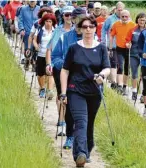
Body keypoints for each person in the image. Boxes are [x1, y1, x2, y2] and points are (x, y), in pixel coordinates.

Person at [60, 15, 110, 167]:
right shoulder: (74, 48)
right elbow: (65, 70)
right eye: (85, 27)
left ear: (95, 29)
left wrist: (102, 75)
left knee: (89, 122)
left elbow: (107, 68)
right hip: (76, 90)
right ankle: (80, 154)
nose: (88, 29)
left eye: (91, 26)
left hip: (95, 91)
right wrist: (63, 93)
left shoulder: (101, 48)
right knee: (81, 121)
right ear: (80, 29)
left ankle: (87, 149)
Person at [51, 7, 87, 149]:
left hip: (85, 79)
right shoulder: (64, 37)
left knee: (84, 110)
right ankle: (70, 136)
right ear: (73, 20)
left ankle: (84, 142)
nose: (82, 21)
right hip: (69, 77)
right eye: (78, 18)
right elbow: (55, 57)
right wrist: (65, 66)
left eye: (84, 18)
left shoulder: (91, 37)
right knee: (69, 107)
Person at [45, 5, 74, 136]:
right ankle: (62, 120)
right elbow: (50, 49)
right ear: (62, 16)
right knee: (61, 94)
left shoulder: (78, 30)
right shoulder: (58, 31)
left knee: (72, 95)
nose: (68, 17)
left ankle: (69, 120)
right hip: (60, 66)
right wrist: (49, 64)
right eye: (66, 15)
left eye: (71, 15)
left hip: (74, 68)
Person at [109, 9, 136, 95]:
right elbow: (111, 36)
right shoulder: (116, 24)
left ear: (129, 17)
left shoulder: (133, 25)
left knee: (127, 68)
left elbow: (136, 39)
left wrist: (131, 44)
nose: (124, 18)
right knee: (120, 66)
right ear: (120, 16)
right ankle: (119, 86)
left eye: (126, 16)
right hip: (119, 48)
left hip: (129, 49)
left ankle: (124, 86)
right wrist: (110, 49)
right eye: (122, 16)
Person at [33, 13, 57, 98]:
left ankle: (50, 90)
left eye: (50, 21)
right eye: (46, 21)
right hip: (41, 54)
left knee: (51, 73)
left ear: (53, 22)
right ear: (44, 22)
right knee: (40, 74)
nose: (48, 23)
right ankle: (42, 88)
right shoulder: (40, 29)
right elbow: (34, 40)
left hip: (52, 56)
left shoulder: (56, 30)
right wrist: (36, 46)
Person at [101, 1, 124, 90]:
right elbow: (103, 30)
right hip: (112, 45)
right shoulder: (110, 19)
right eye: (119, 10)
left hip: (122, 46)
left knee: (121, 64)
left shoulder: (126, 18)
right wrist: (103, 41)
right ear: (115, 9)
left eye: (122, 10)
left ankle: (120, 84)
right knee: (113, 63)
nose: (120, 12)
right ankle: (114, 83)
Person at [125, 12, 146, 100]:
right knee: (134, 73)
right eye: (140, 19)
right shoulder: (132, 29)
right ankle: (134, 91)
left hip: (144, 55)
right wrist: (128, 44)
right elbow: (127, 40)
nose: (142, 21)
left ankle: (143, 94)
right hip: (133, 54)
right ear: (137, 20)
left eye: (143, 20)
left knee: (143, 74)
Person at [18, 1, 40, 70]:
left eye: (33, 1)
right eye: (31, 1)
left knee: (35, 48)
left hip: (36, 32)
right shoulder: (23, 9)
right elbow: (20, 20)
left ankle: (34, 62)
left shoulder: (39, 9)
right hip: (27, 32)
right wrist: (21, 29)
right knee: (28, 48)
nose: (32, 3)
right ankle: (27, 60)